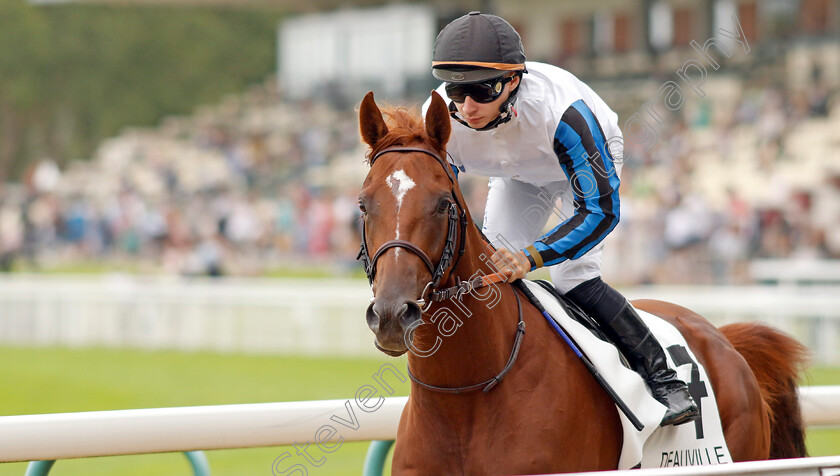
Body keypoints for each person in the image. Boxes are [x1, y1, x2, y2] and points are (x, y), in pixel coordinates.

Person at [423, 11, 699, 426]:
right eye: (456, 90)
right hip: (515, 173)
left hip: (580, 164)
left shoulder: (565, 113)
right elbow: (436, 194)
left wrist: (533, 257)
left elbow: (601, 211)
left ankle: (664, 378)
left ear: (513, 80)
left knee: (572, 276)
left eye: (480, 91)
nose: (466, 106)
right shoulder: (438, 114)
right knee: (489, 270)